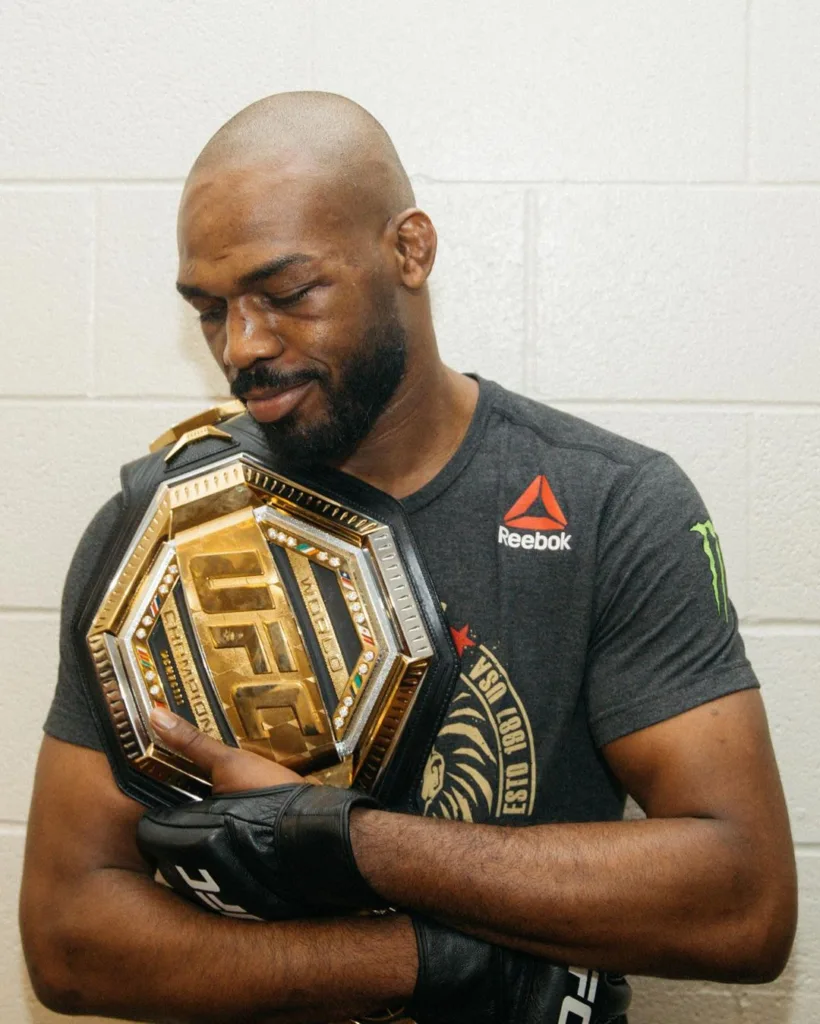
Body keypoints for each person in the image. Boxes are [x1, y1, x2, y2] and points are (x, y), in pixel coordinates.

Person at [20, 92, 796, 1023]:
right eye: (210, 310)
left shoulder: (610, 505)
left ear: (410, 250)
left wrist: (343, 841)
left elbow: (743, 903)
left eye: (287, 292)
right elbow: (68, 939)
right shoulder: (158, 534)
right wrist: (430, 963)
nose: (245, 346)